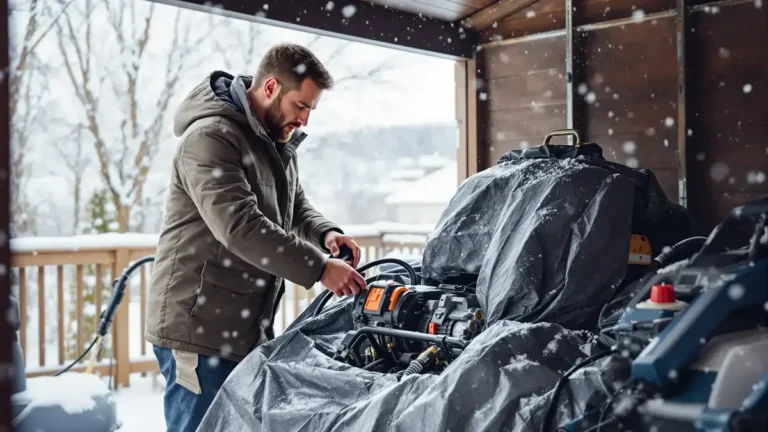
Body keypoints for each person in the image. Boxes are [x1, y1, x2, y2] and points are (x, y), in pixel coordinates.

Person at [144, 42, 367, 432]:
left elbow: (293, 205)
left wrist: (325, 233)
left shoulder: (272, 140)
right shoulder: (210, 138)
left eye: (311, 110)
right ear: (269, 88)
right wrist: (318, 268)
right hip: (197, 328)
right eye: (301, 106)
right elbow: (239, 225)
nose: (305, 120)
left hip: (242, 328)